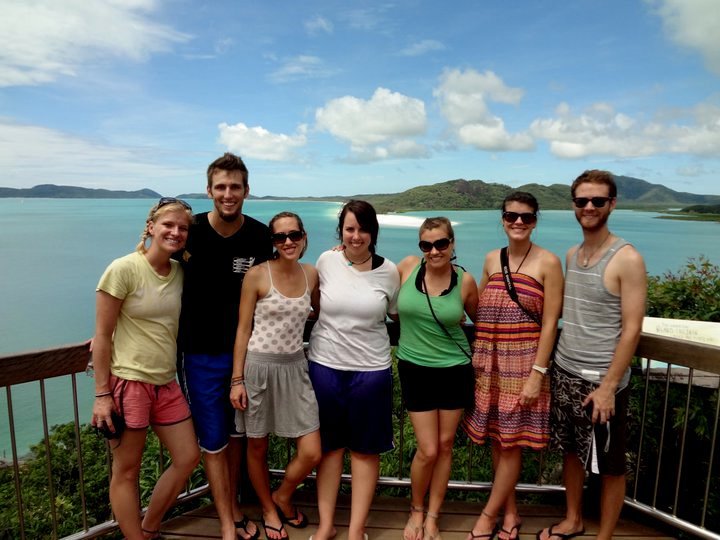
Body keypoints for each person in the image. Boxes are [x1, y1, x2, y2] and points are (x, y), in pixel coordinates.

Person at [536, 170, 646, 540]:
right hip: (565, 370)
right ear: (573, 205)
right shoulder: (572, 254)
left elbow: (632, 329)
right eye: (582, 200)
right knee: (570, 452)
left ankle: (605, 536)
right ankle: (573, 519)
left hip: (601, 380)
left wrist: (609, 387)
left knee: (610, 465)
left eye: (598, 200)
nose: (589, 207)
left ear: (612, 204)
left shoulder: (627, 259)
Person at [91, 198, 200, 540]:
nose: (175, 232)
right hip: (129, 382)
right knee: (127, 470)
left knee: (188, 456)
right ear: (151, 227)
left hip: (166, 382)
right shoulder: (123, 268)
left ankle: (149, 527)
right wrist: (102, 395)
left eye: (182, 228)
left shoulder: (180, 273)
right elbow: (102, 335)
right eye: (168, 224)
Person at [177, 153, 272, 540]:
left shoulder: (261, 236)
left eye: (235, 187)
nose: (228, 194)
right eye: (221, 187)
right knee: (214, 441)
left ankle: (232, 507)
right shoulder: (190, 230)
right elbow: (151, 270)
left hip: (246, 356)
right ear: (209, 191)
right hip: (199, 355)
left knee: (237, 437)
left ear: (247, 191)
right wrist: (112, 323)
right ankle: (227, 523)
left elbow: (284, 271)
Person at [462, 192, 564, 540]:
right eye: (511, 216)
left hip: (523, 366)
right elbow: (479, 307)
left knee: (511, 444)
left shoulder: (549, 262)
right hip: (489, 365)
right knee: (497, 439)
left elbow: (550, 324)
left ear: (535, 221)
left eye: (526, 217)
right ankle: (510, 513)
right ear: (502, 219)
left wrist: (538, 374)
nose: (518, 222)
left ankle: (487, 516)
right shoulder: (492, 259)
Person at [307, 200, 400, 540]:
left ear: (373, 232)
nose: (356, 236)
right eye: (349, 229)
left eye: (362, 229)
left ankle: (356, 530)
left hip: (371, 372)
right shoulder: (326, 260)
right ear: (340, 232)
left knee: (364, 451)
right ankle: (326, 525)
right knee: (329, 449)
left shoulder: (389, 272)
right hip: (325, 366)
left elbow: (397, 314)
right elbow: (314, 303)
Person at [230, 212, 322, 540]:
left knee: (312, 450)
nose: (288, 242)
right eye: (280, 237)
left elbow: (320, 310)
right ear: (272, 242)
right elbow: (243, 330)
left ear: (304, 236)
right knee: (257, 446)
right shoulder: (257, 275)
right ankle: (269, 509)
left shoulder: (311, 274)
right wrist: (237, 380)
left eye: (294, 235)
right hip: (258, 368)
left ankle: (282, 495)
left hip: (295, 367)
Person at [396, 217, 479, 540]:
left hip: (454, 369)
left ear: (452, 243)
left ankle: (433, 515)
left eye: (441, 243)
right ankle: (416, 509)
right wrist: (342, 253)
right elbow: (372, 277)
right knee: (428, 449)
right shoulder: (406, 268)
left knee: (445, 446)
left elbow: (480, 320)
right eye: (427, 245)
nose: (434, 251)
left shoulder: (465, 281)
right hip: (415, 368)